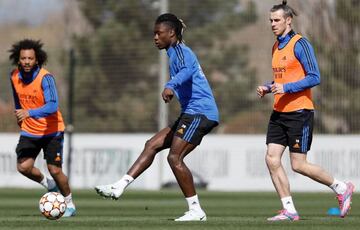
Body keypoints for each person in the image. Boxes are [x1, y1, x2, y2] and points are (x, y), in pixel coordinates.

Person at [95, 13, 219, 221]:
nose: (155, 37)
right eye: (154, 33)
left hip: (201, 112)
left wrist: (170, 85)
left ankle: (196, 210)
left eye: (158, 33)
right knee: (152, 144)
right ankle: (119, 186)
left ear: (171, 33)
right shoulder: (172, 53)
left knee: (174, 157)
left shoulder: (180, 51)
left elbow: (188, 70)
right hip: (190, 112)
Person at [256, 0, 355, 221]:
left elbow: (314, 77)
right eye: (270, 20)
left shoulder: (300, 44)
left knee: (298, 165)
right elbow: (283, 79)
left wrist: (285, 87)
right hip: (279, 111)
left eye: (277, 20)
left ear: (288, 21)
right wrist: (268, 86)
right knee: (272, 159)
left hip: (299, 112)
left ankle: (340, 187)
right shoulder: (275, 46)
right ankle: (289, 209)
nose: (272, 24)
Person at [9, 39, 76, 217]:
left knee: (55, 169)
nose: (27, 62)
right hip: (30, 130)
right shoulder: (14, 76)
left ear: (37, 60)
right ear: (18, 59)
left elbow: (53, 105)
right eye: (23, 58)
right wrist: (19, 114)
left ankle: (69, 203)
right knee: (23, 167)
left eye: (30, 58)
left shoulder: (45, 78)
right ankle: (49, 185)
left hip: (52, 131)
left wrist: (28, 113)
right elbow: (17, 98)